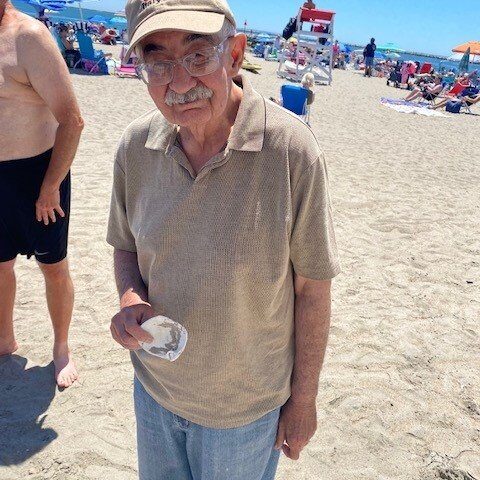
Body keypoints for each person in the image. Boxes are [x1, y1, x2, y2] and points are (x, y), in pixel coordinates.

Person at [107, 0, 340, 478]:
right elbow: (126, 244)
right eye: (159, 63)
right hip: (154, 391)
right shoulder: (135, 146)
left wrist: (304, 401)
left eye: (197, 56)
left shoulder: (291, 150)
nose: (179, 83)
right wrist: (130, 295)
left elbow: (312, 290)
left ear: (234, 55)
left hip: (244, 414)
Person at [0, 1, 84, 388]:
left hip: (37, 174)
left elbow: (72, 119)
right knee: (0, 265)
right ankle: (5, 339)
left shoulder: (28, 37)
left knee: (53, 266)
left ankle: (61, 348)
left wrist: (51, 187)